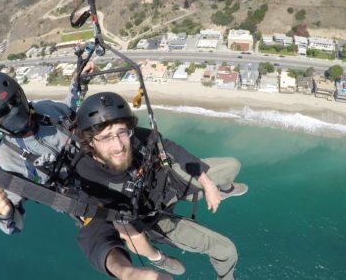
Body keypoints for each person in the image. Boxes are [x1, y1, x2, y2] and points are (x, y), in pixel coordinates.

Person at [0, 71, 177, 280]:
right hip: (84, 201)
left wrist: (79, 81)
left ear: (22, 95)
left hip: (102, 165)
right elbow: (13, 226)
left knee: (147, 168)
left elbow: (71, 111)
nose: (13, 110)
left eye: (14, 101)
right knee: (99, 236)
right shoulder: (7, 160)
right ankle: (135, 269)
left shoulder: (45, 109)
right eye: (2, 111)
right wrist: (3, 212)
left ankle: (165, 227)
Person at [74, 92, 247, 280]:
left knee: (232, 165)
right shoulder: (86, 180)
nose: (118, 145)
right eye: (106, 137)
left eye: (121, 132)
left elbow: (169, 147)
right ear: (90, 141)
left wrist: (207, 183)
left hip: (168, 184)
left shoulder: (135, 137)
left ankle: (221, 190)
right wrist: (127, 271)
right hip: (155, 220)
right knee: (226, 250)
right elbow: (96, 235)